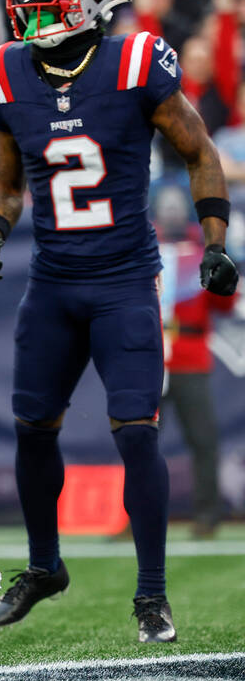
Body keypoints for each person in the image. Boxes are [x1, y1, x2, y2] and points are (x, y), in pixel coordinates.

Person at [0, 0, 239, 644]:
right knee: (32, 428)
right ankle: (44, 566)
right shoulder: (4, 72)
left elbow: (200, 152)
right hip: (53, 283)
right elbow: (5, 172)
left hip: (124, 280)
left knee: (136, 434)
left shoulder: (135, 63)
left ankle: (151, 595)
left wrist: (215, 242)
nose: (28, 9)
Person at [155, 185, 237, 539]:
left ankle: (207, 516)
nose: (171, 214)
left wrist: (221, 278)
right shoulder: (144, 245)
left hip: (189, 354)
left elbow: (225, 304)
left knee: (203, 439)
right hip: (152, 353)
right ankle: (135, 517)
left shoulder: (204, 248)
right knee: (139, 439)